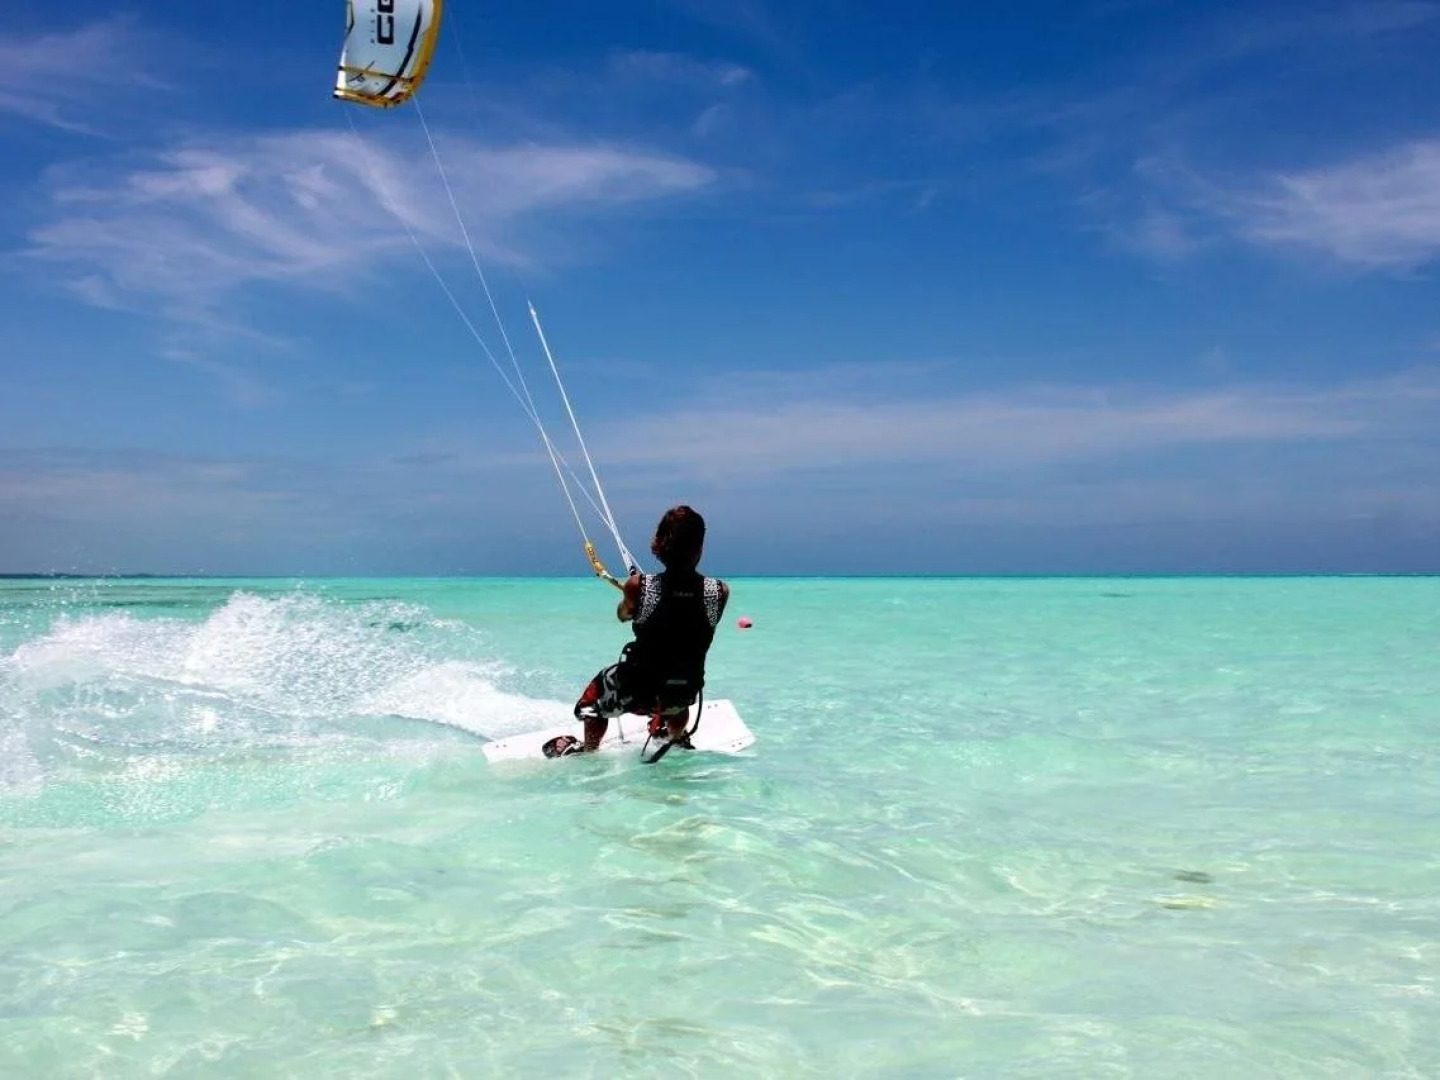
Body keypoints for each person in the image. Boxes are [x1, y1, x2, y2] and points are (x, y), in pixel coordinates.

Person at [545, 506, 729, 757]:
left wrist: (630, 597)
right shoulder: (718, 592)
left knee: (591, 701)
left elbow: (622, 615)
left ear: (660, 545)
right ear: (699, 549)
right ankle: (676, 737)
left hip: (639, 690)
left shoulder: (638, 587)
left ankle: (589, 753)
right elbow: (690, 618)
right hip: (684, 689)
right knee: (679, 690)